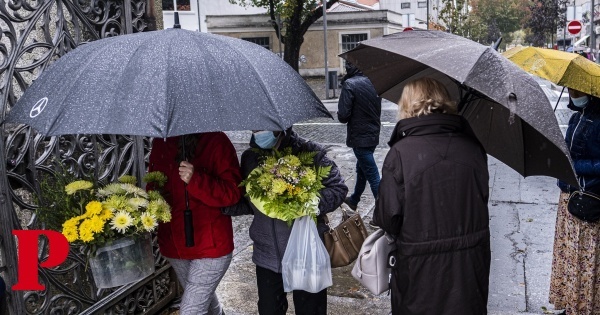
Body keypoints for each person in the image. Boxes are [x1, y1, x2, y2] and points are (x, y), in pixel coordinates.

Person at [372, 77, 490, 315]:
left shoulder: (401, 153)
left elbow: (388, 218)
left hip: (420, 270)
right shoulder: (473, 147)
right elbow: (481, 200)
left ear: (408, 105)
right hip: (469, 267)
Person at [223, 128, 347, 315]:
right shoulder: (250, 158)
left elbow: (338, 188)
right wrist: (223, 205)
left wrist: (308, 202)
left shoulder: (309, 151)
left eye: (264, 127)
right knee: (269, 310)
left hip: (305, 253)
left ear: (282, 125)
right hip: (267, 255)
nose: (259, 131)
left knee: (310, 310)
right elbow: (250, 203)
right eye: (255, 127)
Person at [148, 132, 242, 315]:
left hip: (211, 246)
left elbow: (232, 193)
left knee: (191, 310)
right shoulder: (161, 143)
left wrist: (196, 179)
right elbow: (154, 185)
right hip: (174, 245)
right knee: (203, 300)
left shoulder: (216, 141)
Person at [550, 88, 600, 315]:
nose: (572, 93)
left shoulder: (598, 120)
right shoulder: (574, 116)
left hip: (587, 199)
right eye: (569, 89)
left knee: (583, 262)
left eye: (576, 89)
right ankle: (571, 305)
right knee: (569, 258)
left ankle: (584, 309)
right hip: (568, 198)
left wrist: (574, 165)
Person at [337, 61, 382, 217]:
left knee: (372, 174)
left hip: (360, 136)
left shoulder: (350, 84)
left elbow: (343, 116)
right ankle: (354, 199)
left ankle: (385, 211)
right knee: (362, 169)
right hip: (373, 134)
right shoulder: (374, 81)